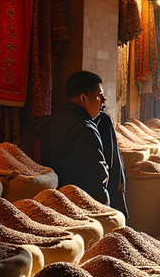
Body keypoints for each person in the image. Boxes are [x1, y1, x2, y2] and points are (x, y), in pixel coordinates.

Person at [39, 71, 111, 205]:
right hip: (81, 202)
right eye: (100, 96)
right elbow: (97, 175)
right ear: (84, 99)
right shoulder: (85, 129)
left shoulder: (52, 122)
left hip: (56, 199)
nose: (104, 101)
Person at [94, 109, 128, 217]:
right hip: (105, 177)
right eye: (99, 96)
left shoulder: (103, 119)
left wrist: (119, 178)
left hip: (108, 176)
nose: (103, 100)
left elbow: (112, 154)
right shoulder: (99, 121)